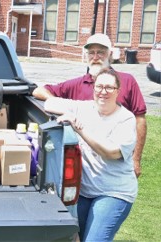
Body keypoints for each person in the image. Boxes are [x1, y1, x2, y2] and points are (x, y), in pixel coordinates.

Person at [32, 33, 147, 178]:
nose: (95, 57)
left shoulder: (127, 81)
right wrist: (58, 104)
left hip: (116, 163)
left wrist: (136, 159)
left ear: (110, 54)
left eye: (101, 52)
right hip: (84, 166)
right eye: (91, 52)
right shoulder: (77, 84)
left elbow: (140, 119)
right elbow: (39, 91)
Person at [44, 68, 138, 241]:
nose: (103, 92)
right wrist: (70, 113)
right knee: (73, 237)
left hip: (114, 192)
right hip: (85, 191)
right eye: (99, 86)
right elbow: (49, 104)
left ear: (118, 91)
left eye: (109, 87)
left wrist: (79, 127)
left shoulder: (126, 119)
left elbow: (110, 152)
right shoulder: (84, 107)